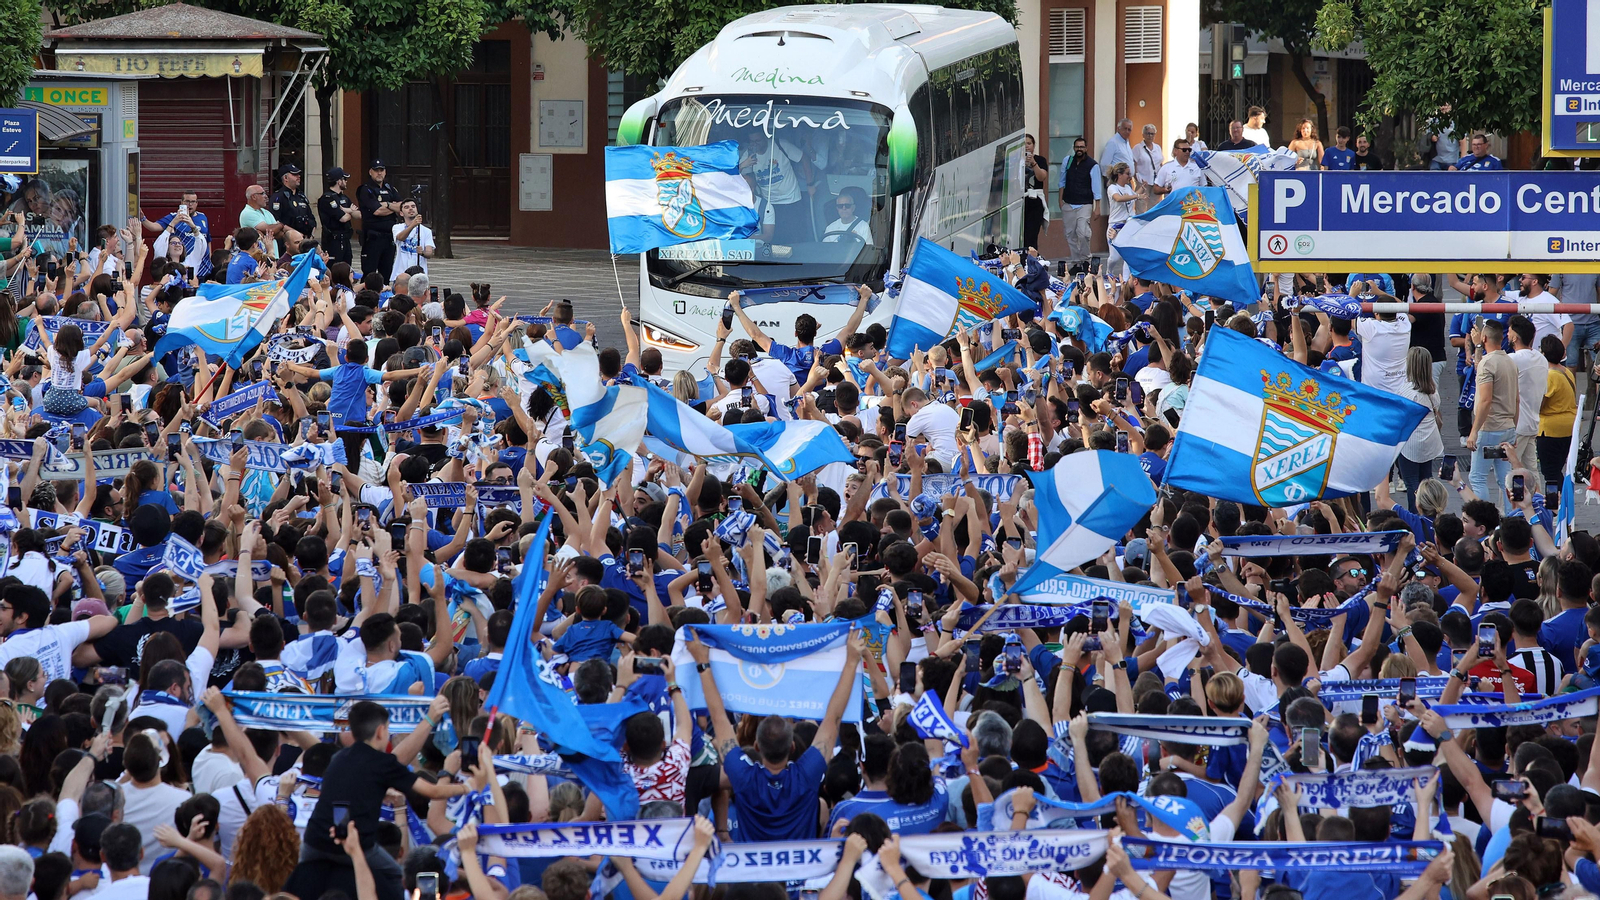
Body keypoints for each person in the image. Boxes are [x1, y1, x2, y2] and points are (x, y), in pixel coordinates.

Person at [1467, 317, 1520, 507]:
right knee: (1505, 478)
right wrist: (1514, 426)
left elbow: (1485, 400)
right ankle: (1511, 517)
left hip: (1489, 427)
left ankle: (1485, 520)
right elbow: (1516, 399)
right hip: (1507, 426)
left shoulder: (1487, 364)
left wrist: (1474, 431)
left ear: (1484, 338)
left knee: (1478, 478)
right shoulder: (1510, 362)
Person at [1396, 347, 1444, 509]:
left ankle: (1416, 518)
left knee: (1412, 484)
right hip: (1429, 441)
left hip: (1410, 443)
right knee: (1426, 480)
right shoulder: (1433, 390)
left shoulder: (1406, 391)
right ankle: (1430, 514)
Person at [1538, 334, 1577, 501]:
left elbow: (1540, 402)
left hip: (1551, 429)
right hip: (1569, 426)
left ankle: (1556, 505)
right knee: (1558, 468)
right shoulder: (1566, 371)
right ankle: (1564, 502)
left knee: (1550, 472)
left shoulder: (1550, 375)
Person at [139, 193, 211, 280]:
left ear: (197, 203)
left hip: (204, 267)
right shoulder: (173, 217)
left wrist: (192, 225)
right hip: (183, 260)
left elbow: (206, 241)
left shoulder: (202, 217)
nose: (190, 204)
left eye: (193, 201)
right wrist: (143, 219)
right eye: (187, 201)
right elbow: (154, 228)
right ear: (181, 202)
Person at [355, 160, 402, 281]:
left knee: (386, 274)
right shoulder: (365, 189)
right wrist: (393, 206)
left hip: (389, 237)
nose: (379, 173)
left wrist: (386, 204)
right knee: (369, 274)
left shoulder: (390, 188)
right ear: (370, 172)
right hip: (373, 238)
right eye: (376, 170)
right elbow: (377, 211)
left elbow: (401, 206)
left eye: (382, 170)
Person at [1057, 137, 1099, 266]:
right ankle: (1076, 262)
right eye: (1077, 147)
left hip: (1085, 204)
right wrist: (1060, 200)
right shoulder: (1068, 161)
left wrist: (1097, 208)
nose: (1079, 149)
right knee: (1070, 235)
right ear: (1074, 148)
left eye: (1082, 147)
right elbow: (1062, 181)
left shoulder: (1093, 165)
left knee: (1083, 233)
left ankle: (1086, 259)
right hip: (1069, 203)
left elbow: (1096, 187)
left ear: (1086, 148)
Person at [268, 164, 317, 247]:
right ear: (285, 178)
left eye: (298, 174)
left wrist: (311, 235)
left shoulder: (301, 196)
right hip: (288, 243)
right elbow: (276, 222)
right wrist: (296, 234)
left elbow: (311, 217)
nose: (298, 177)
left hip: (305, 241)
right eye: (294, 175)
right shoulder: (278, 197)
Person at [318, 167, 356, 266]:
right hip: (333, 241)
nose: (346, 182)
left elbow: (358, 214)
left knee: (346, 268)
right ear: (339, 181)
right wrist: (350, 211)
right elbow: (343, 218)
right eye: (345, 179)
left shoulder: (344, 198)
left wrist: (346, 210)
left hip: (345, 239)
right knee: (334, 268)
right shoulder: (327, 198)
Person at [389, 200, 434, 282]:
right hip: (401, 274)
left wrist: (422, 252)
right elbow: (400, 237)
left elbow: (429, 253)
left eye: (413, 206)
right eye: (406, 207)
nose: (410, 209)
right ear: (401, 213)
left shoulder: (426, 231)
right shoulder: (397, 227)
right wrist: (413, 225)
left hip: (419, 275)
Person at [238, 185, 285, 261]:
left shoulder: (266, 212)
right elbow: (270, 230)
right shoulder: (247, 213)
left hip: (273, 256)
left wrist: (276, 228)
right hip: (260, 260)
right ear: (254, 197)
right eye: (262, 193)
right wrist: (280, 225)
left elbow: (280, 233)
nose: (266, 196)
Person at [1020, 135, 1050, 252]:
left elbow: (1042, 177)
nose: (1026, 146)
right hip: (1021, 200)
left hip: (1035, 200)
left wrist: (1033, 163)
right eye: (1024, 143)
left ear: (1033, 145)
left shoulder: (1040, 160)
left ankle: (1032, 260)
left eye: (1029, 143)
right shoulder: (1016, 160)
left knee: (1031, 234)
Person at [1131, 126, 1163, 213]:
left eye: (1152, 134)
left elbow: (1160, 163)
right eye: (1148, 133)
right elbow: (1134, 164)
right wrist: (1138, 179)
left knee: (1155, 207)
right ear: (1143, 134)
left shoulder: (1157, 148)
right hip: (1143, 182)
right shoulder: (1138, 148)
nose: (1150, 136)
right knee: (1141, 207)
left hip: (1156, 182)